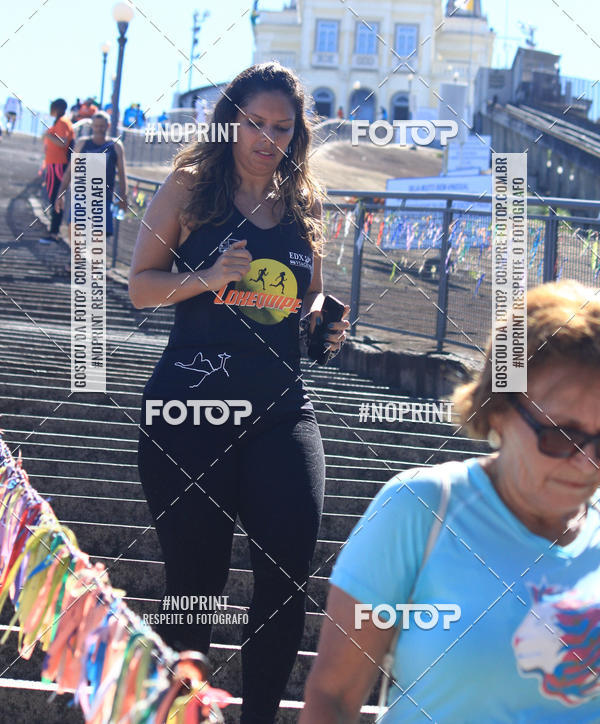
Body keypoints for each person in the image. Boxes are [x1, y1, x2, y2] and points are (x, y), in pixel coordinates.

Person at [129, 62, 350, 723]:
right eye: (255, 123)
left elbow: (301, 297)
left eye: (282, 127)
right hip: (189, 411)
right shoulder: (192, 188)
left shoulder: (304, 201)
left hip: (282, 410)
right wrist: (203, 275)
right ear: (231, 121)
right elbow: (140, 286)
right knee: (195, 590)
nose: (267, 138)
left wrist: (321, 320)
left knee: (285, 585)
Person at [301, 279, 600, 722]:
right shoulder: (419, 509)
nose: (586, 464)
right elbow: (334, 700)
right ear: (499, 407)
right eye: (561, 436)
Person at [55, 110, 128, 241]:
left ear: (108, 126)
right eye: (96, 126)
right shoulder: (82, 144)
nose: (99, 129)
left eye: (102, 126)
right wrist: (60, 194)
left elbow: (122, 175)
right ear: (92, 126)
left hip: (103, 199)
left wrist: (124, 196)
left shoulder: (115, 146)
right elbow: (69, 171)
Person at [39, 99, 74, 243]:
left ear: (58, 108)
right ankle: (54, 230)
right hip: (53, 164)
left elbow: (63, 142)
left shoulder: (63, 122)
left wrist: (47, 135)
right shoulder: (59, 122)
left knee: (57, 198)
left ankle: (54, 232)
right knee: (54, 197)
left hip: (59, 165)